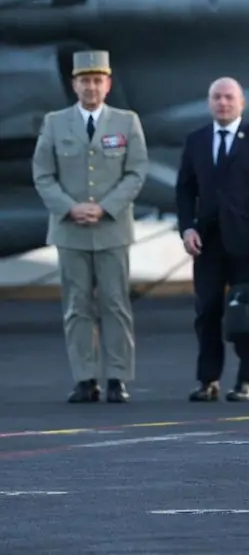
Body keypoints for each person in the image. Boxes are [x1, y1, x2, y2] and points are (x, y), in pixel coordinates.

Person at [31, 50, 149, 404]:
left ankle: (117, 378)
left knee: (115, 304)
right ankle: (85, 379)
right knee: (77, 306)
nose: (91, 87)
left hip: (112, 229)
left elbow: (136, 171)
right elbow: (43, 174)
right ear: (74, 85)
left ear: (108, 85)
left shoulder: (127, 122)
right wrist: (71, 208)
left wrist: (105, 207)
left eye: (98, 80)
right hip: (71, 231)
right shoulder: (55, 123)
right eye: (85, 80)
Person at [175, 77, 249, 403]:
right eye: (217, 97)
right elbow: (184, 190)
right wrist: (186, 228)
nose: (223, 103)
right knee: (207, 311)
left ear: (241, 103)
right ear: (209, 102)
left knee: (246, 313)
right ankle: (208, 380)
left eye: (229, 97)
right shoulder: (196, 140)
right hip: (207, 243)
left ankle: (248, 380)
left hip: (247, 245)